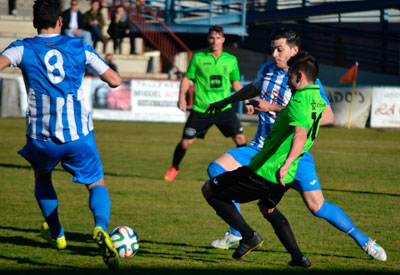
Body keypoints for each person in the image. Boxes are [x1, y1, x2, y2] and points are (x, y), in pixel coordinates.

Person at [205, 29, 387, 265]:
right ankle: (239, 231)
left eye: (279, 49)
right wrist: (225, 101)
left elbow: (327, 116)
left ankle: (365, 241)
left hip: (293, 153)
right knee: (215, 170)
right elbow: (252, 88)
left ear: (294, 51)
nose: (274, 53)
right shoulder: (267, 70)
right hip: (260, 148)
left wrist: (272, 107)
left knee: (317, 206)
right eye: (273, 48)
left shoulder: (309, 81)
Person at [0, 0, 121, 269]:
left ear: (34, 22)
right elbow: (115, 80)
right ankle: (100, 227)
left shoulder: (23, 47)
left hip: (41, 137)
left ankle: (57, 234)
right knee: (96, 183)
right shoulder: (78, 46)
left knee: (43, 177)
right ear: (60, 20)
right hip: (78, 135)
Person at [202, 50, 327, 262]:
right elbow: (300, 119)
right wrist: (271, 107)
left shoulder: (297, 102)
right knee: (267, 208)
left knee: (210, 190)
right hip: (285, 177)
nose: (286, 80)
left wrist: (286, 163)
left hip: (266, 170)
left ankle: (248, 236)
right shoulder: (316, 98)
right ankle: (298, 257)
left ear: (299, 76)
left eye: (289, 75)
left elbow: (300, 134)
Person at [164, 25, 253, 182]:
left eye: (218, 38)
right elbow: (187, 78)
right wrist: (182, 97)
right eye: (212, 37)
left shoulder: (231, 60)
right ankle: (174, 168)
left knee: (240, 139)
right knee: (185, 143)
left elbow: (236, 82)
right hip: (201, 109)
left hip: (223, 109)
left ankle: (246, 171)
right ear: (208, 39)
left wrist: (247, 100)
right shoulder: (198, 58)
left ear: (223, 40)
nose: (215, 41)